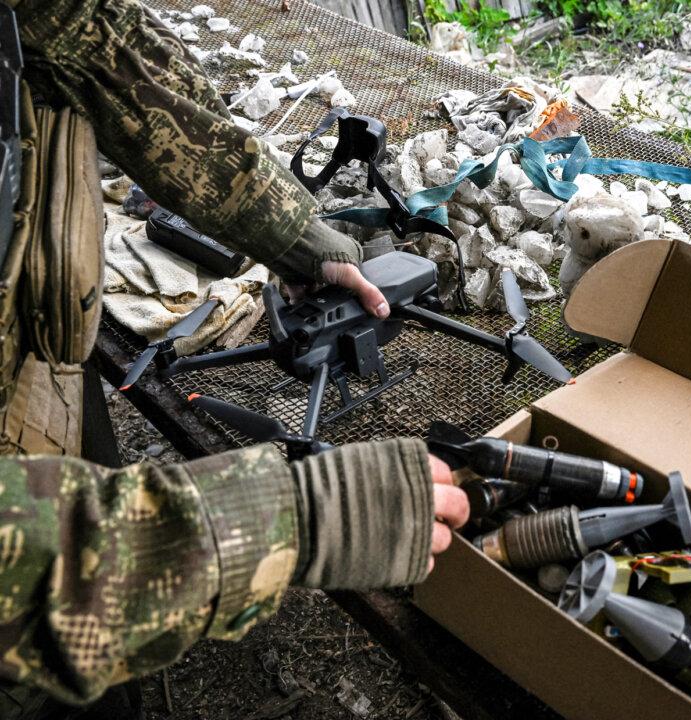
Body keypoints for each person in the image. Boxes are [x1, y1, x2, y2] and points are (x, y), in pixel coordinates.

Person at [0, 0, 469, 716]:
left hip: (42, 350)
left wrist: (296, 238)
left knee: (102, 684)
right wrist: (282, 520)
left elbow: (98, 48)